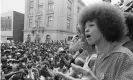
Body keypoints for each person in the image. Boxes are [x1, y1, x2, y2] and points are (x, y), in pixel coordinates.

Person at [54, 2, 133, 80]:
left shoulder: (125, 56)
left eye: (91, 25)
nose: (86, 30)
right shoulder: (101, 56)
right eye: (85, 27)